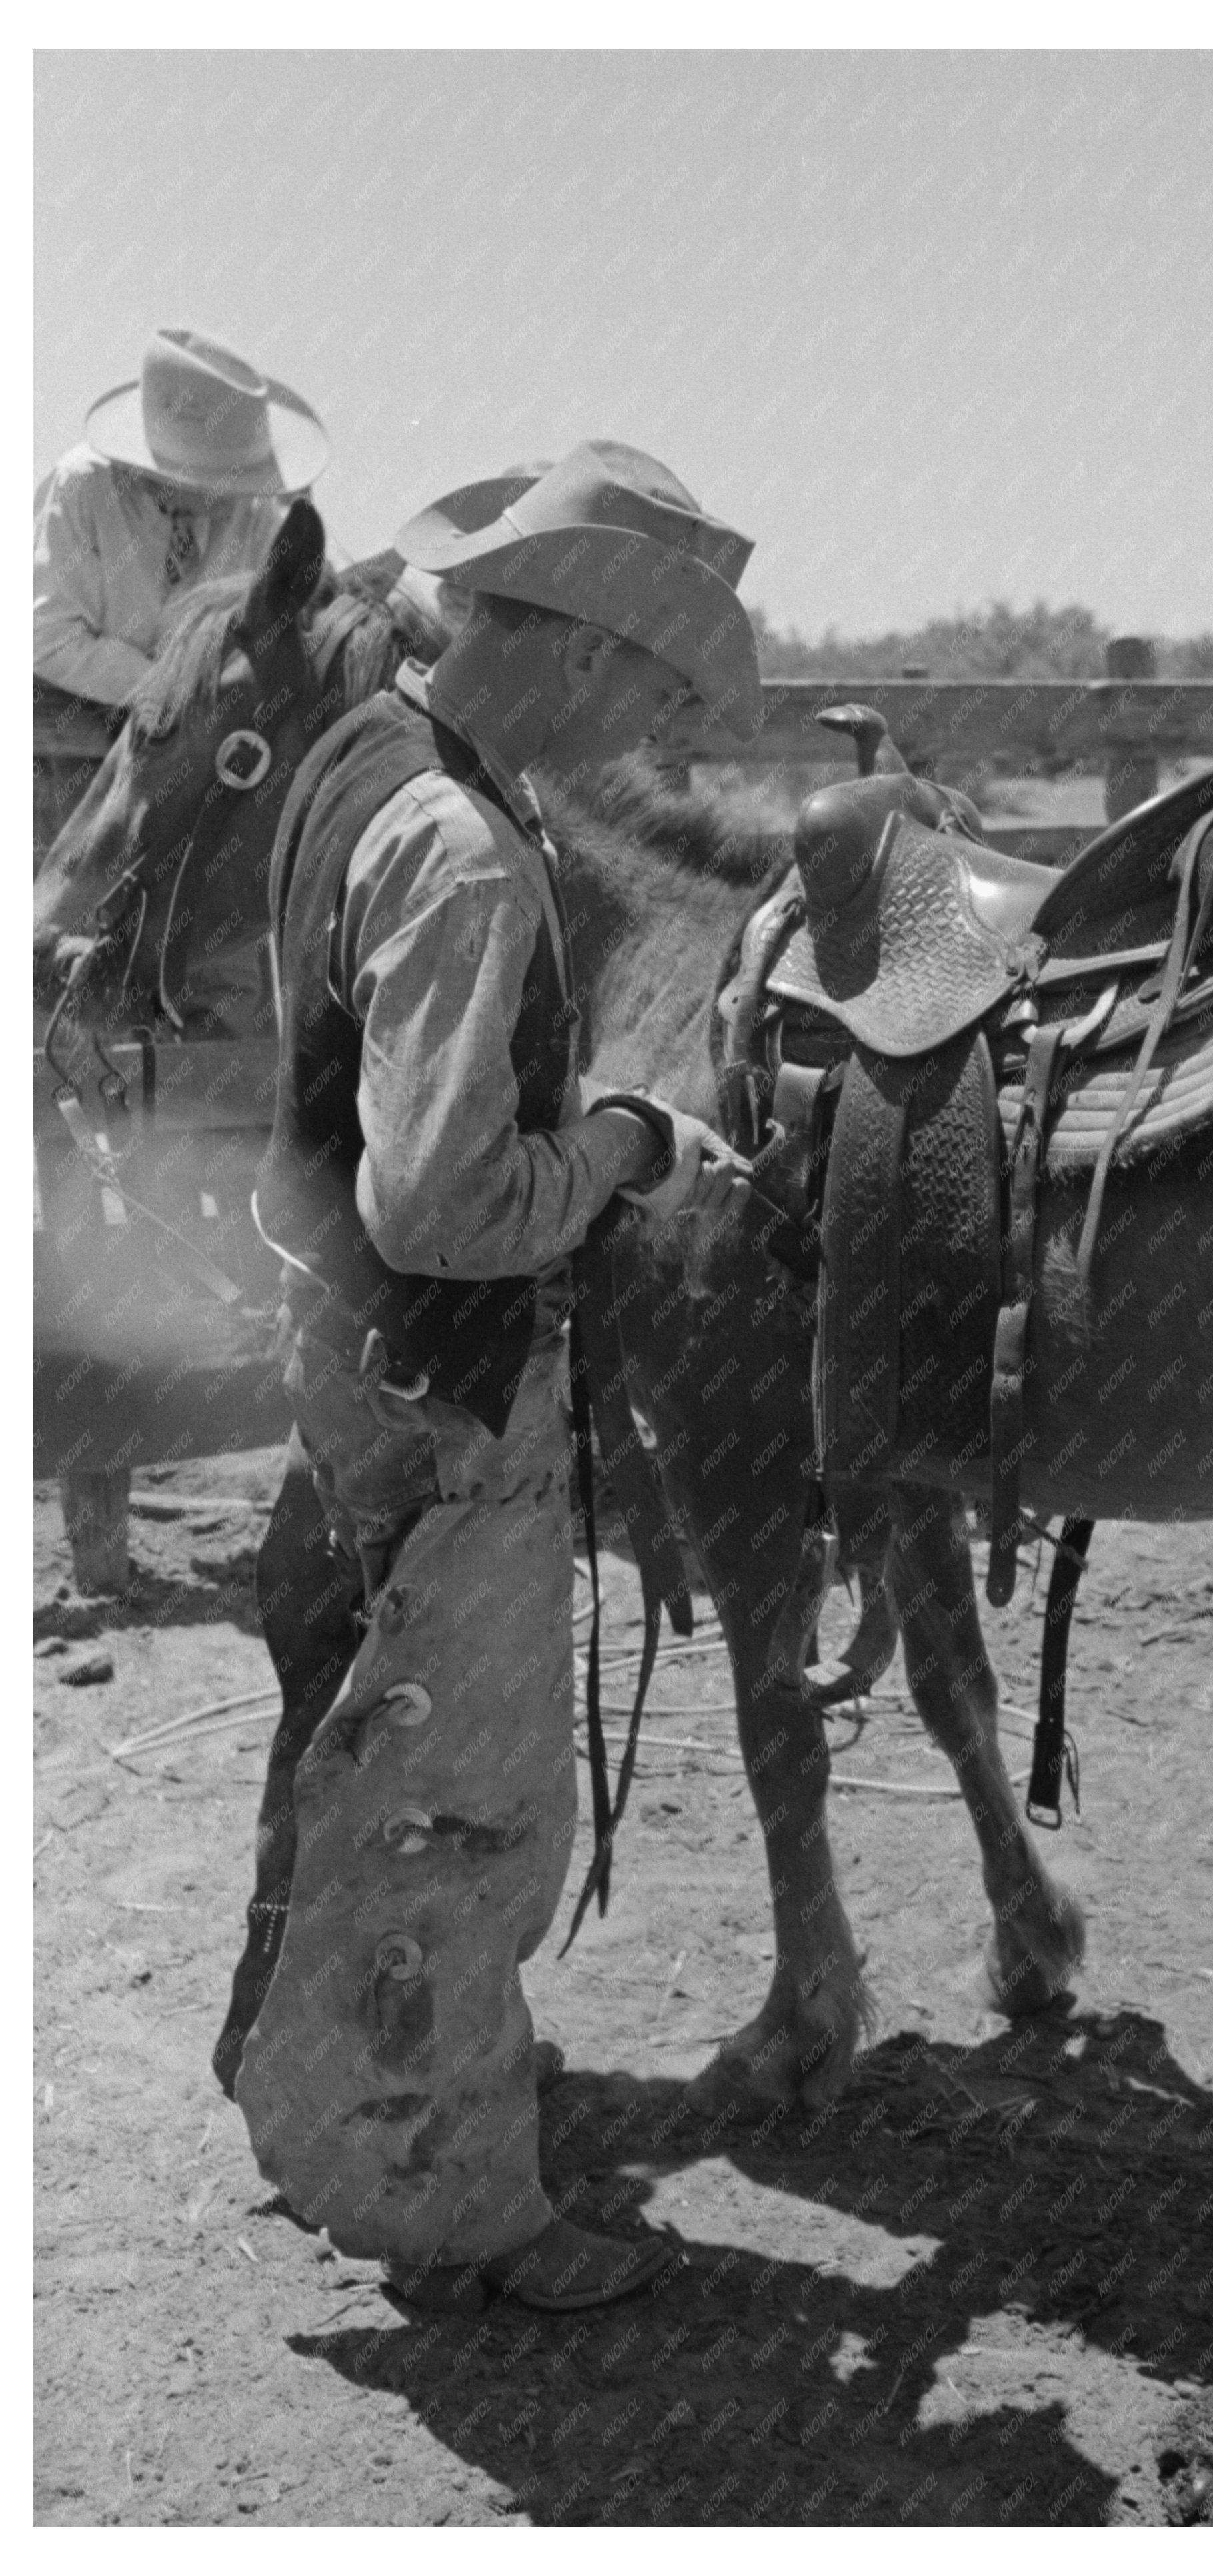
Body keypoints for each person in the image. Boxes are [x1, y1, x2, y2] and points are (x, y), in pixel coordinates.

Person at [232, 441, 759, 2316]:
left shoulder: (361, 751)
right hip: (446, 1381)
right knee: (465, 1804)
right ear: (564, 646)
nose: (649, 719)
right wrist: (622, 1144)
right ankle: (460, 2197)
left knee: (357, 1743)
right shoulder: (466, 853)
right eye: (641, 677)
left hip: (342, 1349)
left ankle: (306, 2090)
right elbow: (452, 1204)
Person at [33, 326, 331, 708]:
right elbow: (49, 638)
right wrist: (174, 693)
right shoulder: (85, 486)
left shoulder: (257, 520)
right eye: (222, 478)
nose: (240, 493)